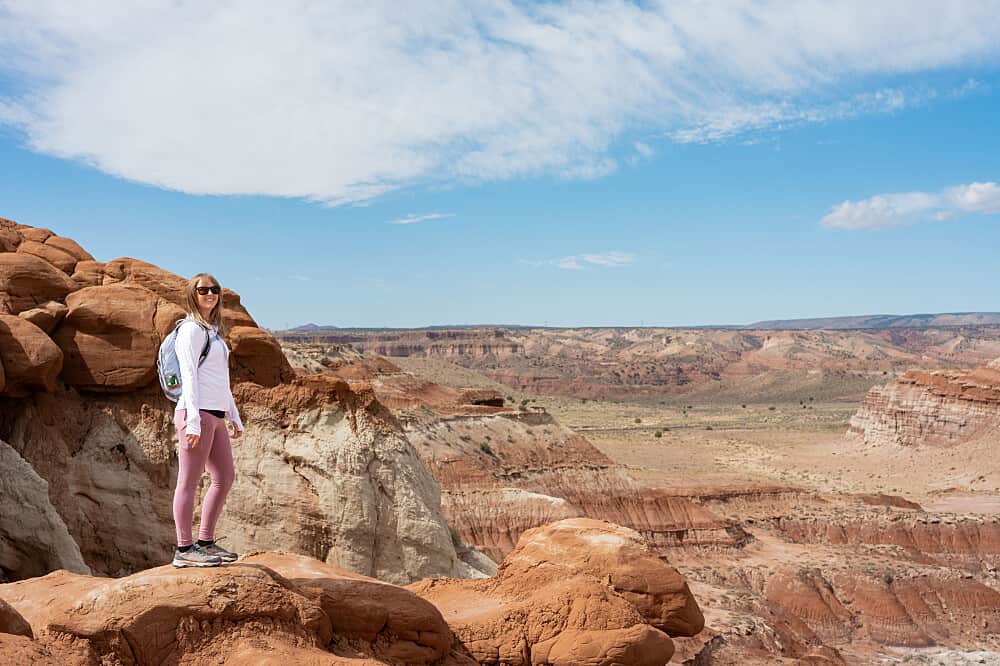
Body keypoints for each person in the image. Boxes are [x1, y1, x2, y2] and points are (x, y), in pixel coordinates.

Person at [171, 273, 244, 568]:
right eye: (203, 290)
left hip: (214, 415)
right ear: (193, 294)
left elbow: (220, 380)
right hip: (195, 413)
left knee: (224, 477)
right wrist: (192, 422)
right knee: (188, 481)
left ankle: (205, 542)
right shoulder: (190, 330)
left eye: (214, 290)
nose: (210, 294)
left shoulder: (213, 332)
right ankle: (184, 550)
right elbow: (188, 375)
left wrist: (234, 416)